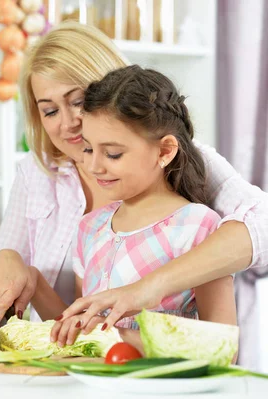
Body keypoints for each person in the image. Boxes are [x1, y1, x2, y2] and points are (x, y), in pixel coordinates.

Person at [0, 21, 268, 332]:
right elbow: (75, 328)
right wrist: (7, 262)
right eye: (50, 111)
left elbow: (263, 225)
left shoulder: (185, 169)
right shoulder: (45, 178)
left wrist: (148, 288)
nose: (68, 123)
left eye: (78, 102)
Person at [40, 65, 237, 349]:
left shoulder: (197, 226)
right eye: (88, 149)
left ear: (165, 151)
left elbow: (222, 348)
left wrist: (120, 339)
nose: (94, 165)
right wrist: (34, 284)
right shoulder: (90, 227)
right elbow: (76, 330)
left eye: (113, 153)